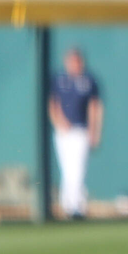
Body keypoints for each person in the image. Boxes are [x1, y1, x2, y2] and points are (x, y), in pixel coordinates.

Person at [48, 47, 103, 220]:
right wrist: (59, 122)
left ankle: (77, 207)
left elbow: (95, 107)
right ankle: (68, 206)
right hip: (63, 132)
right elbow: (52, 103)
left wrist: (95, 131)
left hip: (81, 131)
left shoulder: (89, 80)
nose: (75, 64)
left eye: (77, 61)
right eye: (72, 61)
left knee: (77, 170)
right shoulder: (59, 79)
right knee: (66, 169)